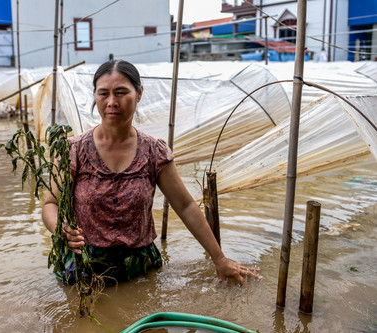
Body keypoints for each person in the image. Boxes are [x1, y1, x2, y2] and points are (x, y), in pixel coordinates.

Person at [42, 59, 260, 285]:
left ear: (139, 93)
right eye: (103, 94)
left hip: (139, 269)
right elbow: (50, 204)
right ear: (95, 96)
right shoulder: (73, 150)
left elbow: (185, 206)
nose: (112, 102)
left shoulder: (154, 151)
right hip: (84, 267)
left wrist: (220, 259)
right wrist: (62, 229)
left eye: (121, 92)